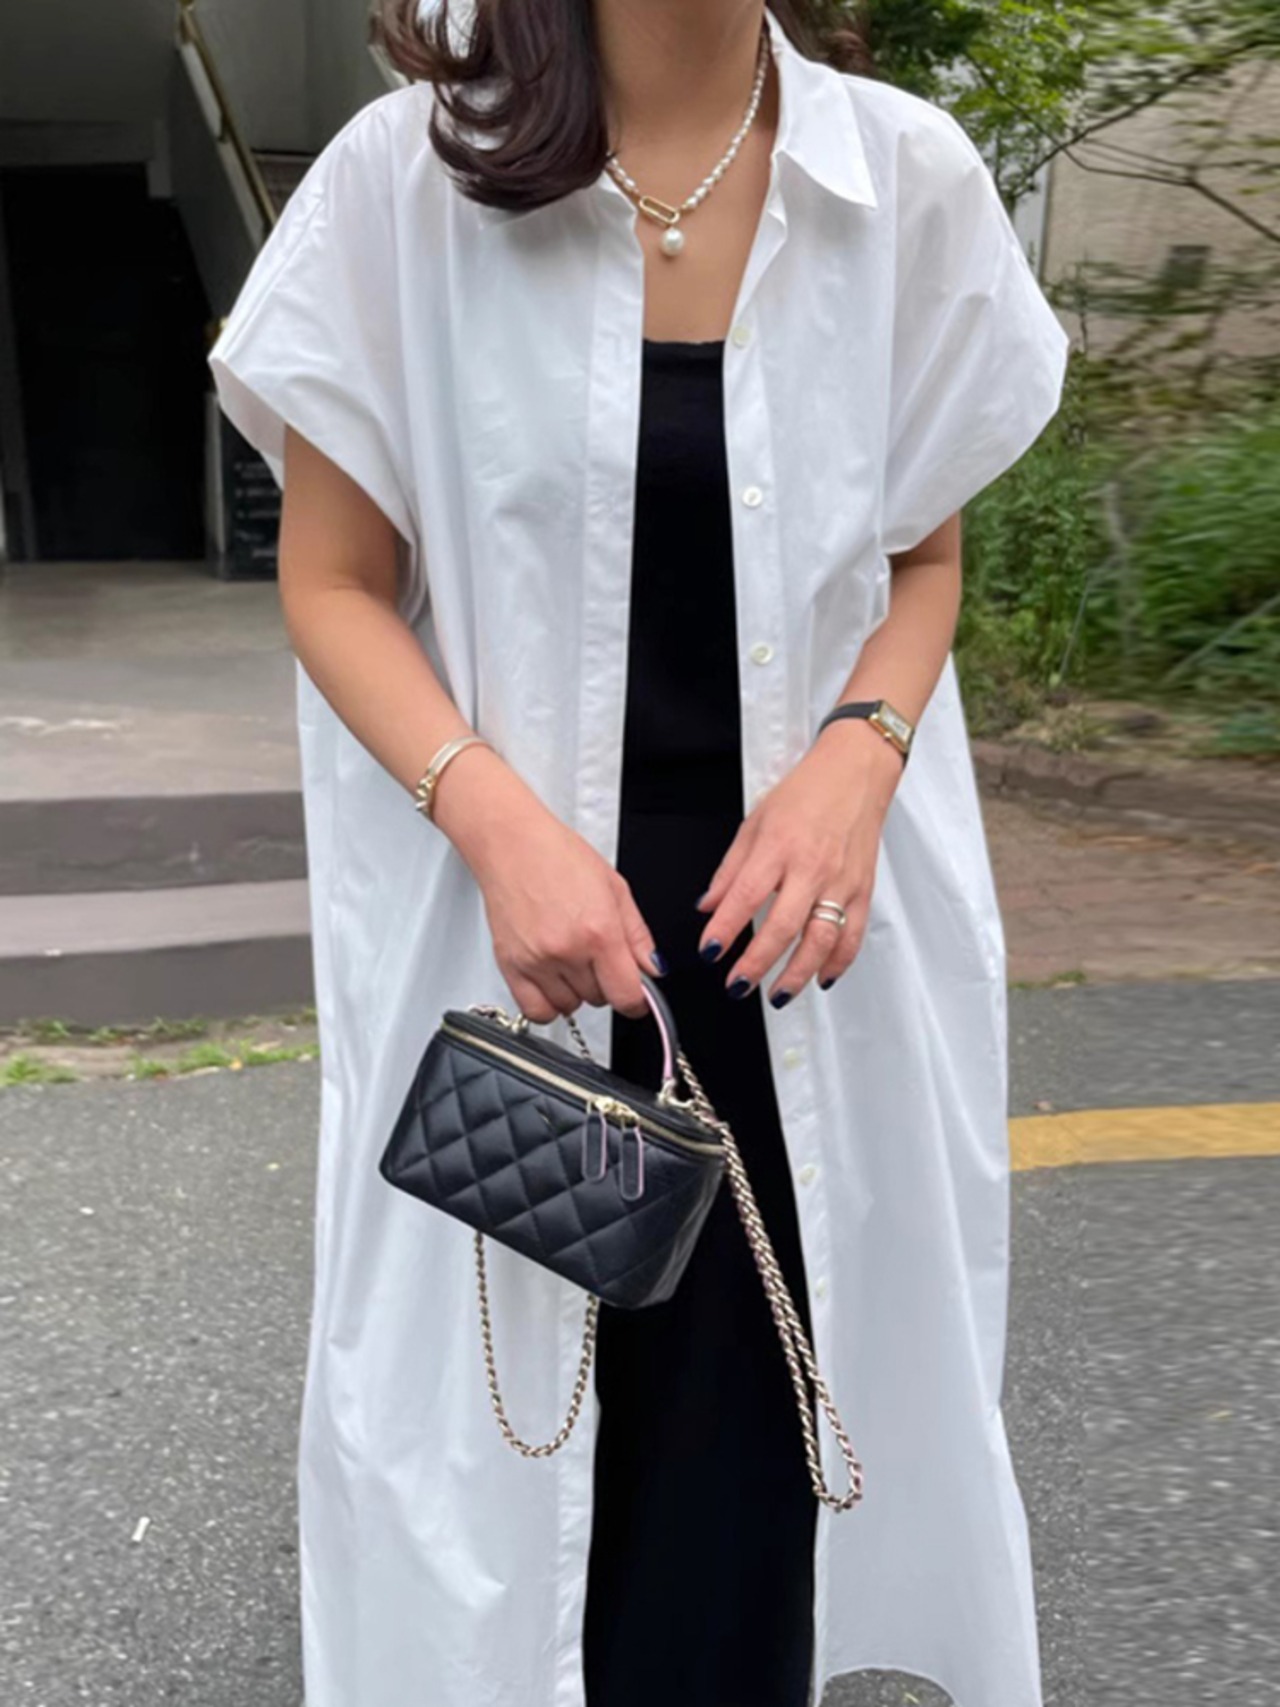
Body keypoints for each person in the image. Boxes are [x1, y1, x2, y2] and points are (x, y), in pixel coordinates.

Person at [206, 2, 1069, 1704]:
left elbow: (924, 558)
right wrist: (497, 823)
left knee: (755, 1472)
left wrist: (860, 753)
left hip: (804, 941)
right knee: (516, 1465)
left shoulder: (901, 181)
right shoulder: (407, 181)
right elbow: (332, 582)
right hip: (526, 940)